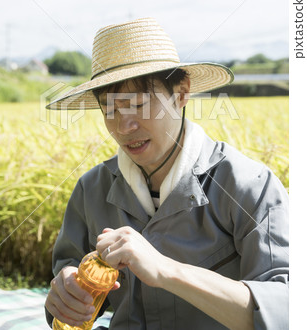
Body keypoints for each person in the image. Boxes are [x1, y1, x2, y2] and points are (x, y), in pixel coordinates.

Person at [45, 17, 288, 329]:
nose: (123, 127)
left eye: (139, 105)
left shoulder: (249, 186)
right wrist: (65, 292)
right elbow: (66, 276)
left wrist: (166, 270)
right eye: (109, 110)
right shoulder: (90, 190)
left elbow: (286, 309)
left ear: (182, 93)